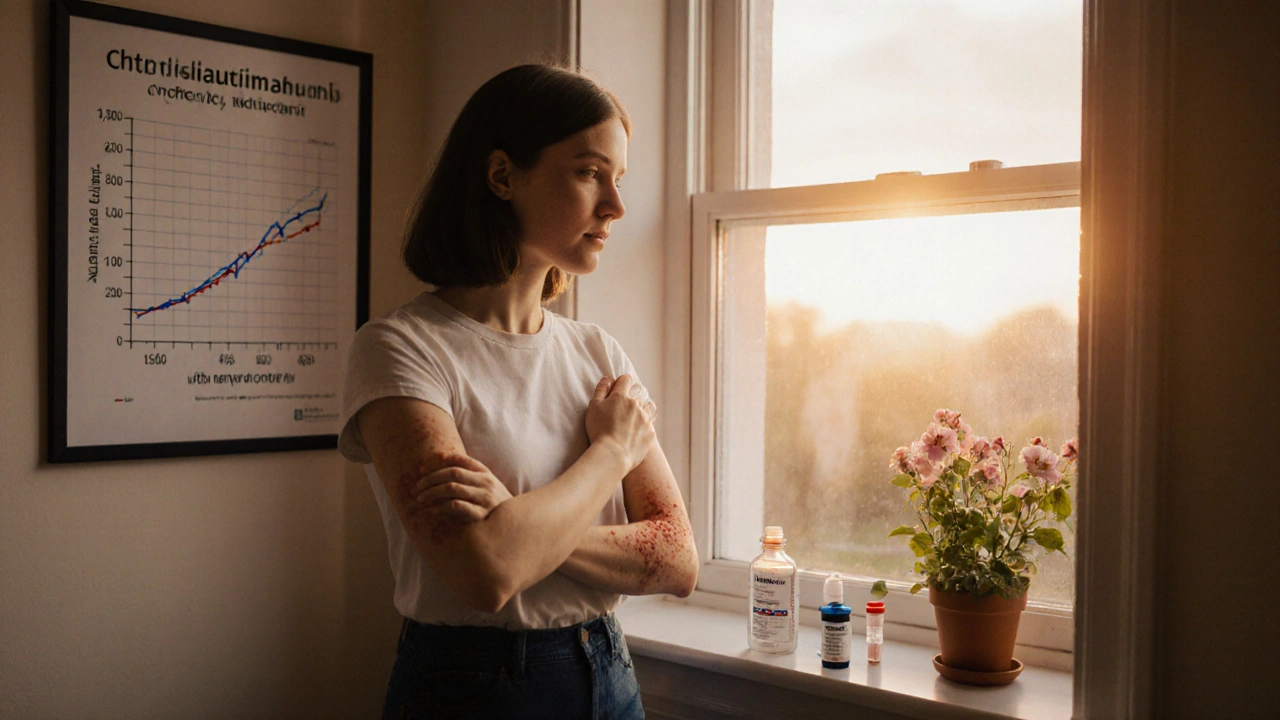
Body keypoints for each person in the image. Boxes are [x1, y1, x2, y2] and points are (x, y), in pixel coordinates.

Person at [338, 64, 698, 720]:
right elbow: (484, 574)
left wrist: (516, 518)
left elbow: (675, 557)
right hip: (470, 689)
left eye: (619, 179)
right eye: (590, 172)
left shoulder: (597, 352)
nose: (615, 206)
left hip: (610, 675)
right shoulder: (399, 349)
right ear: (503, 175)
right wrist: (611, 454)